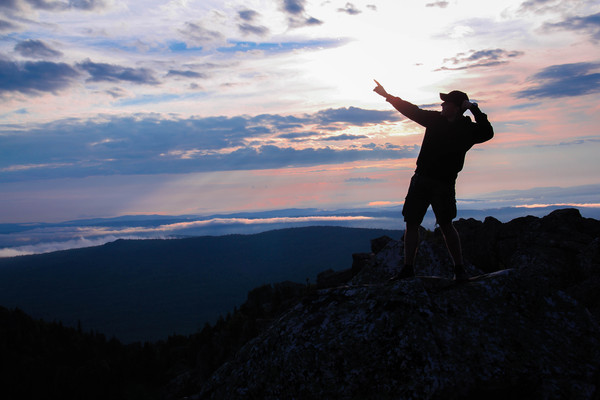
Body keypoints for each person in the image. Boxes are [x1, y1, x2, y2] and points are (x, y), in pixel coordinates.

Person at [373, 80, 494, 281]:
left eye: (446, 103)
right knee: (413, 223)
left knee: (445, 225)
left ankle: (459, 270)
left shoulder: (467, 129)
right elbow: (410, 110)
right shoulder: (438, 120)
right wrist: (388, 95)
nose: (442, 106)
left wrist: (473, 108)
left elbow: (488, 132)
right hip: (425, 180)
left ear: (457, 108)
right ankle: (409, 269)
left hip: (442, 184)